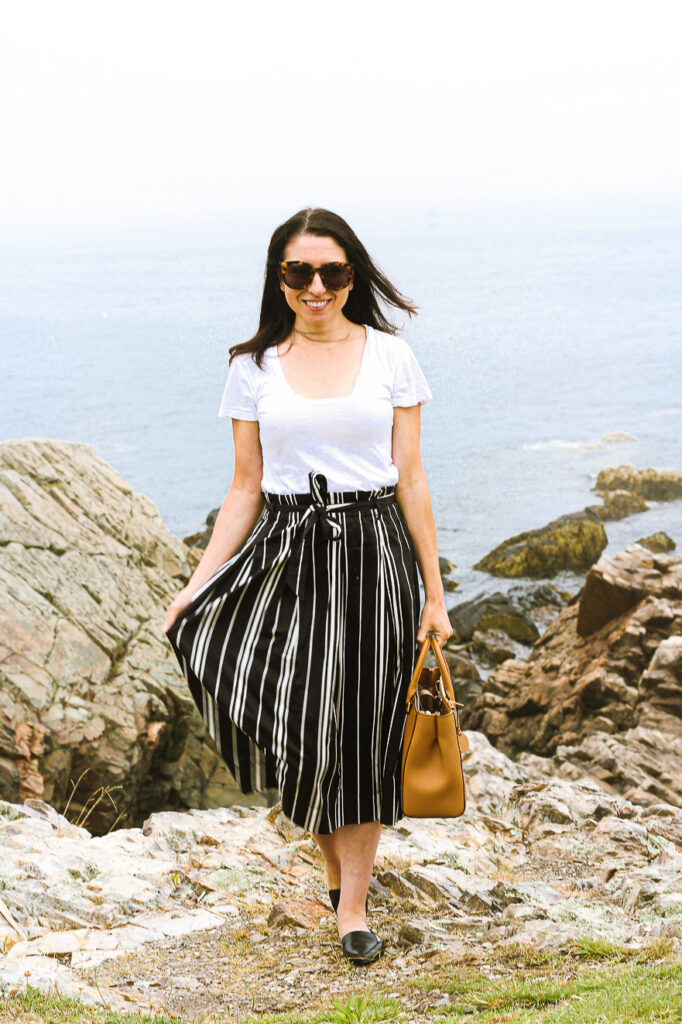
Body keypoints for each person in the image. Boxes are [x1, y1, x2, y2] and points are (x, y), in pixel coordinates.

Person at [163, 208, 453, 966]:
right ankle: (336, 872)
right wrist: (196, 586)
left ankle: (351, 905)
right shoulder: (251, 366)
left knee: (361, 733)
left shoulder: (391, 356)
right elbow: (245, 488)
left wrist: (434, 593)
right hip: (285, 554)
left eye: (332, 271)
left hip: (375, 553)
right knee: (302, 727)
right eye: (300, 272)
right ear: (280, 279)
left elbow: (413, 477)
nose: (317, 286)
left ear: (352, 274)